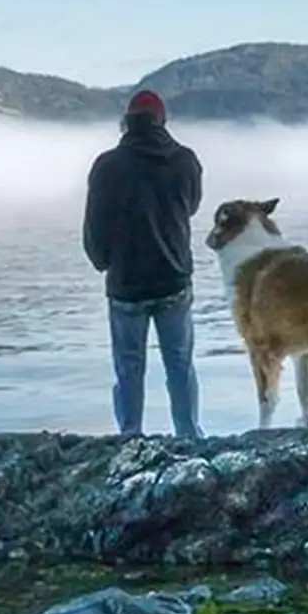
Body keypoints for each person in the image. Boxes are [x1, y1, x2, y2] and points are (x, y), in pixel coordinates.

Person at [82, 89, 205, 438]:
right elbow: (191, 206)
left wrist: (101, 261)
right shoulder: (185, 161)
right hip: (174, 279)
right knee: (180, 365)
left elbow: (95, 226)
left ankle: (130, 437)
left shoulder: (107, 165)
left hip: (126, 283)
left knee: (128, 369)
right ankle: (189, 436)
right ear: (162, 121)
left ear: (127, 123)